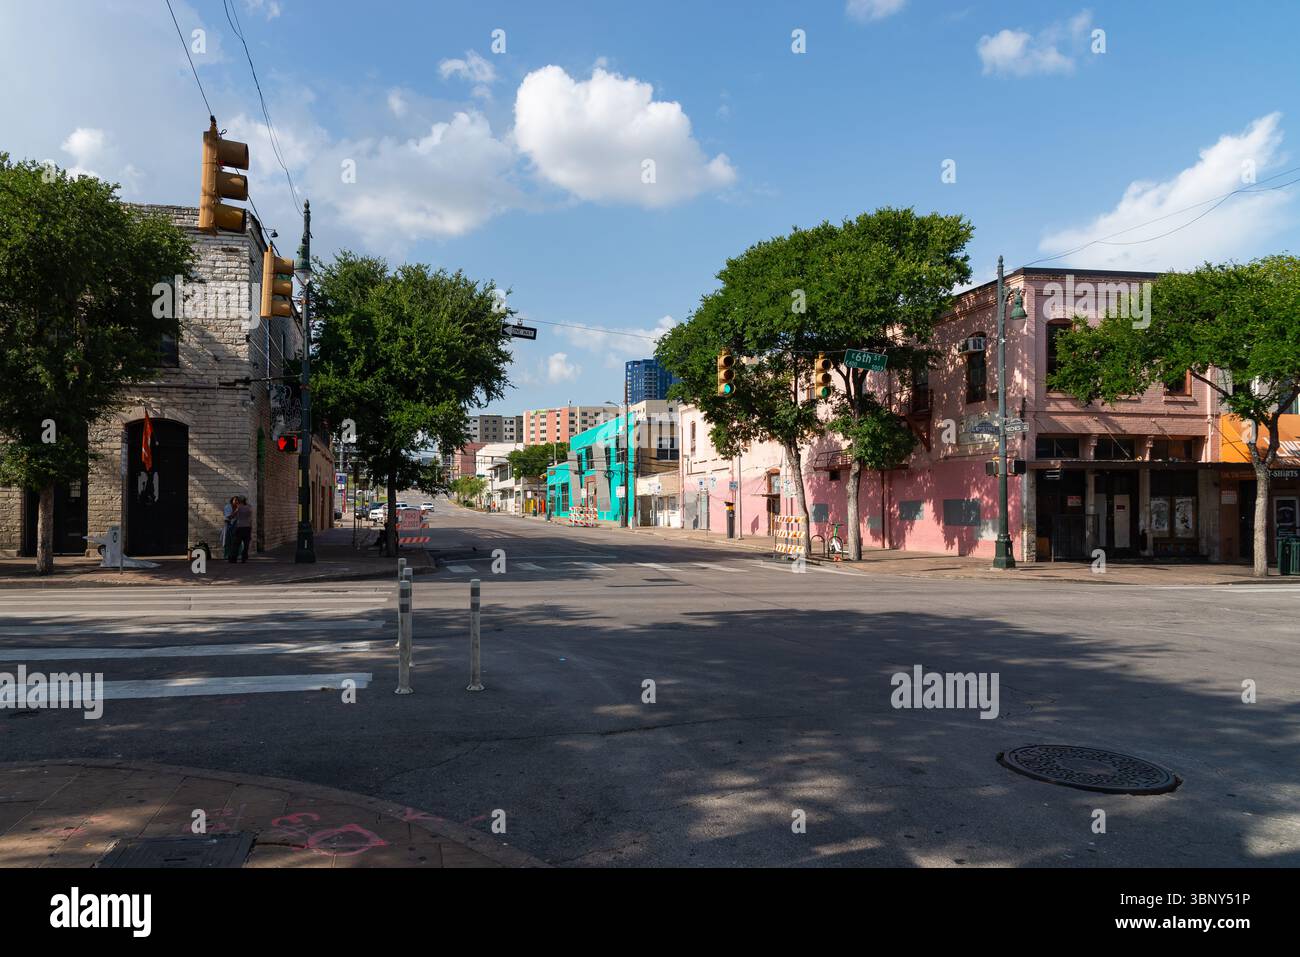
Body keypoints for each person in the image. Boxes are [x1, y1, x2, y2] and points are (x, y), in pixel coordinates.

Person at [231, 495, 253, 563]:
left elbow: (233, 515)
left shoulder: (239, 507)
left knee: (236, 544)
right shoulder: (249, 507)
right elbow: (250, 518)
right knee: (246, 544)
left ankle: (234, 559)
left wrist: (229, 517)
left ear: (240, 501)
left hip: (239, 527)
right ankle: (244, 558)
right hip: (247, 527)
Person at [222, 496, 238, 561]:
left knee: (235, 542)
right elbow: (228, 517)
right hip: (229, 526)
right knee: (228, 541)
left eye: (237, 501)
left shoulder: (238, 507)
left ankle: (234, 556)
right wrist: (236, 511)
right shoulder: (228, 507)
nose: (236, 502)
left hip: (236, 526)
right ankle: (229, 556)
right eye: (235, 500)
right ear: (232, 500)